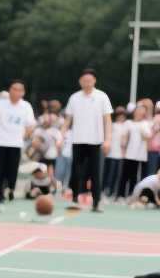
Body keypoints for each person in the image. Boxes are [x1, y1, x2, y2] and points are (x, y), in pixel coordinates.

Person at [62, 69, 112, 212]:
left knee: (96, 173)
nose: (87, 83)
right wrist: (61, 135)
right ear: (80, 82)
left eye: (89, 80)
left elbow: (107, 120)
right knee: (76, 172)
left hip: (96, 141)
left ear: (94, 81)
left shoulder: (102, 97)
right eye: (84, 80)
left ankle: (96, 202)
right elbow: (68, 120)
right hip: (78, 140)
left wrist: (107, 140)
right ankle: (75, 198)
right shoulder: (74, 98)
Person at [0, 80, 35, 212]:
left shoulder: (26, 106)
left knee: (11, 173)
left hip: (15, 145)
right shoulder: (0, 104)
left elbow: (30, 125)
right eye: (13, 89)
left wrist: (22, 137)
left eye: (19, 89)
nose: (16, 92)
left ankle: (10, 189)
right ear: (9, 90)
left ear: (23, 92)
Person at [118, 104, 152, 200]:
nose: (139, 113)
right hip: (129, 154)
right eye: (138, 110)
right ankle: (120, 195)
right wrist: (123, 151)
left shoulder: (145, 124)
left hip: (140, 155)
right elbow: (124, 137)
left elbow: (148, 137)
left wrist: (144, 135)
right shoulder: (129, 123)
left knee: (134, 177)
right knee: (125, 175)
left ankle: (131, 195)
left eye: (142, 111)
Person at [104, 108, 128, 197]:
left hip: (120, 155)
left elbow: (125, 141)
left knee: (118, 175)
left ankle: (114, 192)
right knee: (110, 174)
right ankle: (107, 190)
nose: (121, 118)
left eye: (123, 116)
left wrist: (124, 150)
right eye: (120, 116)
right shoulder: (112, 125)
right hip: (111, 154)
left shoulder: (125, 127)